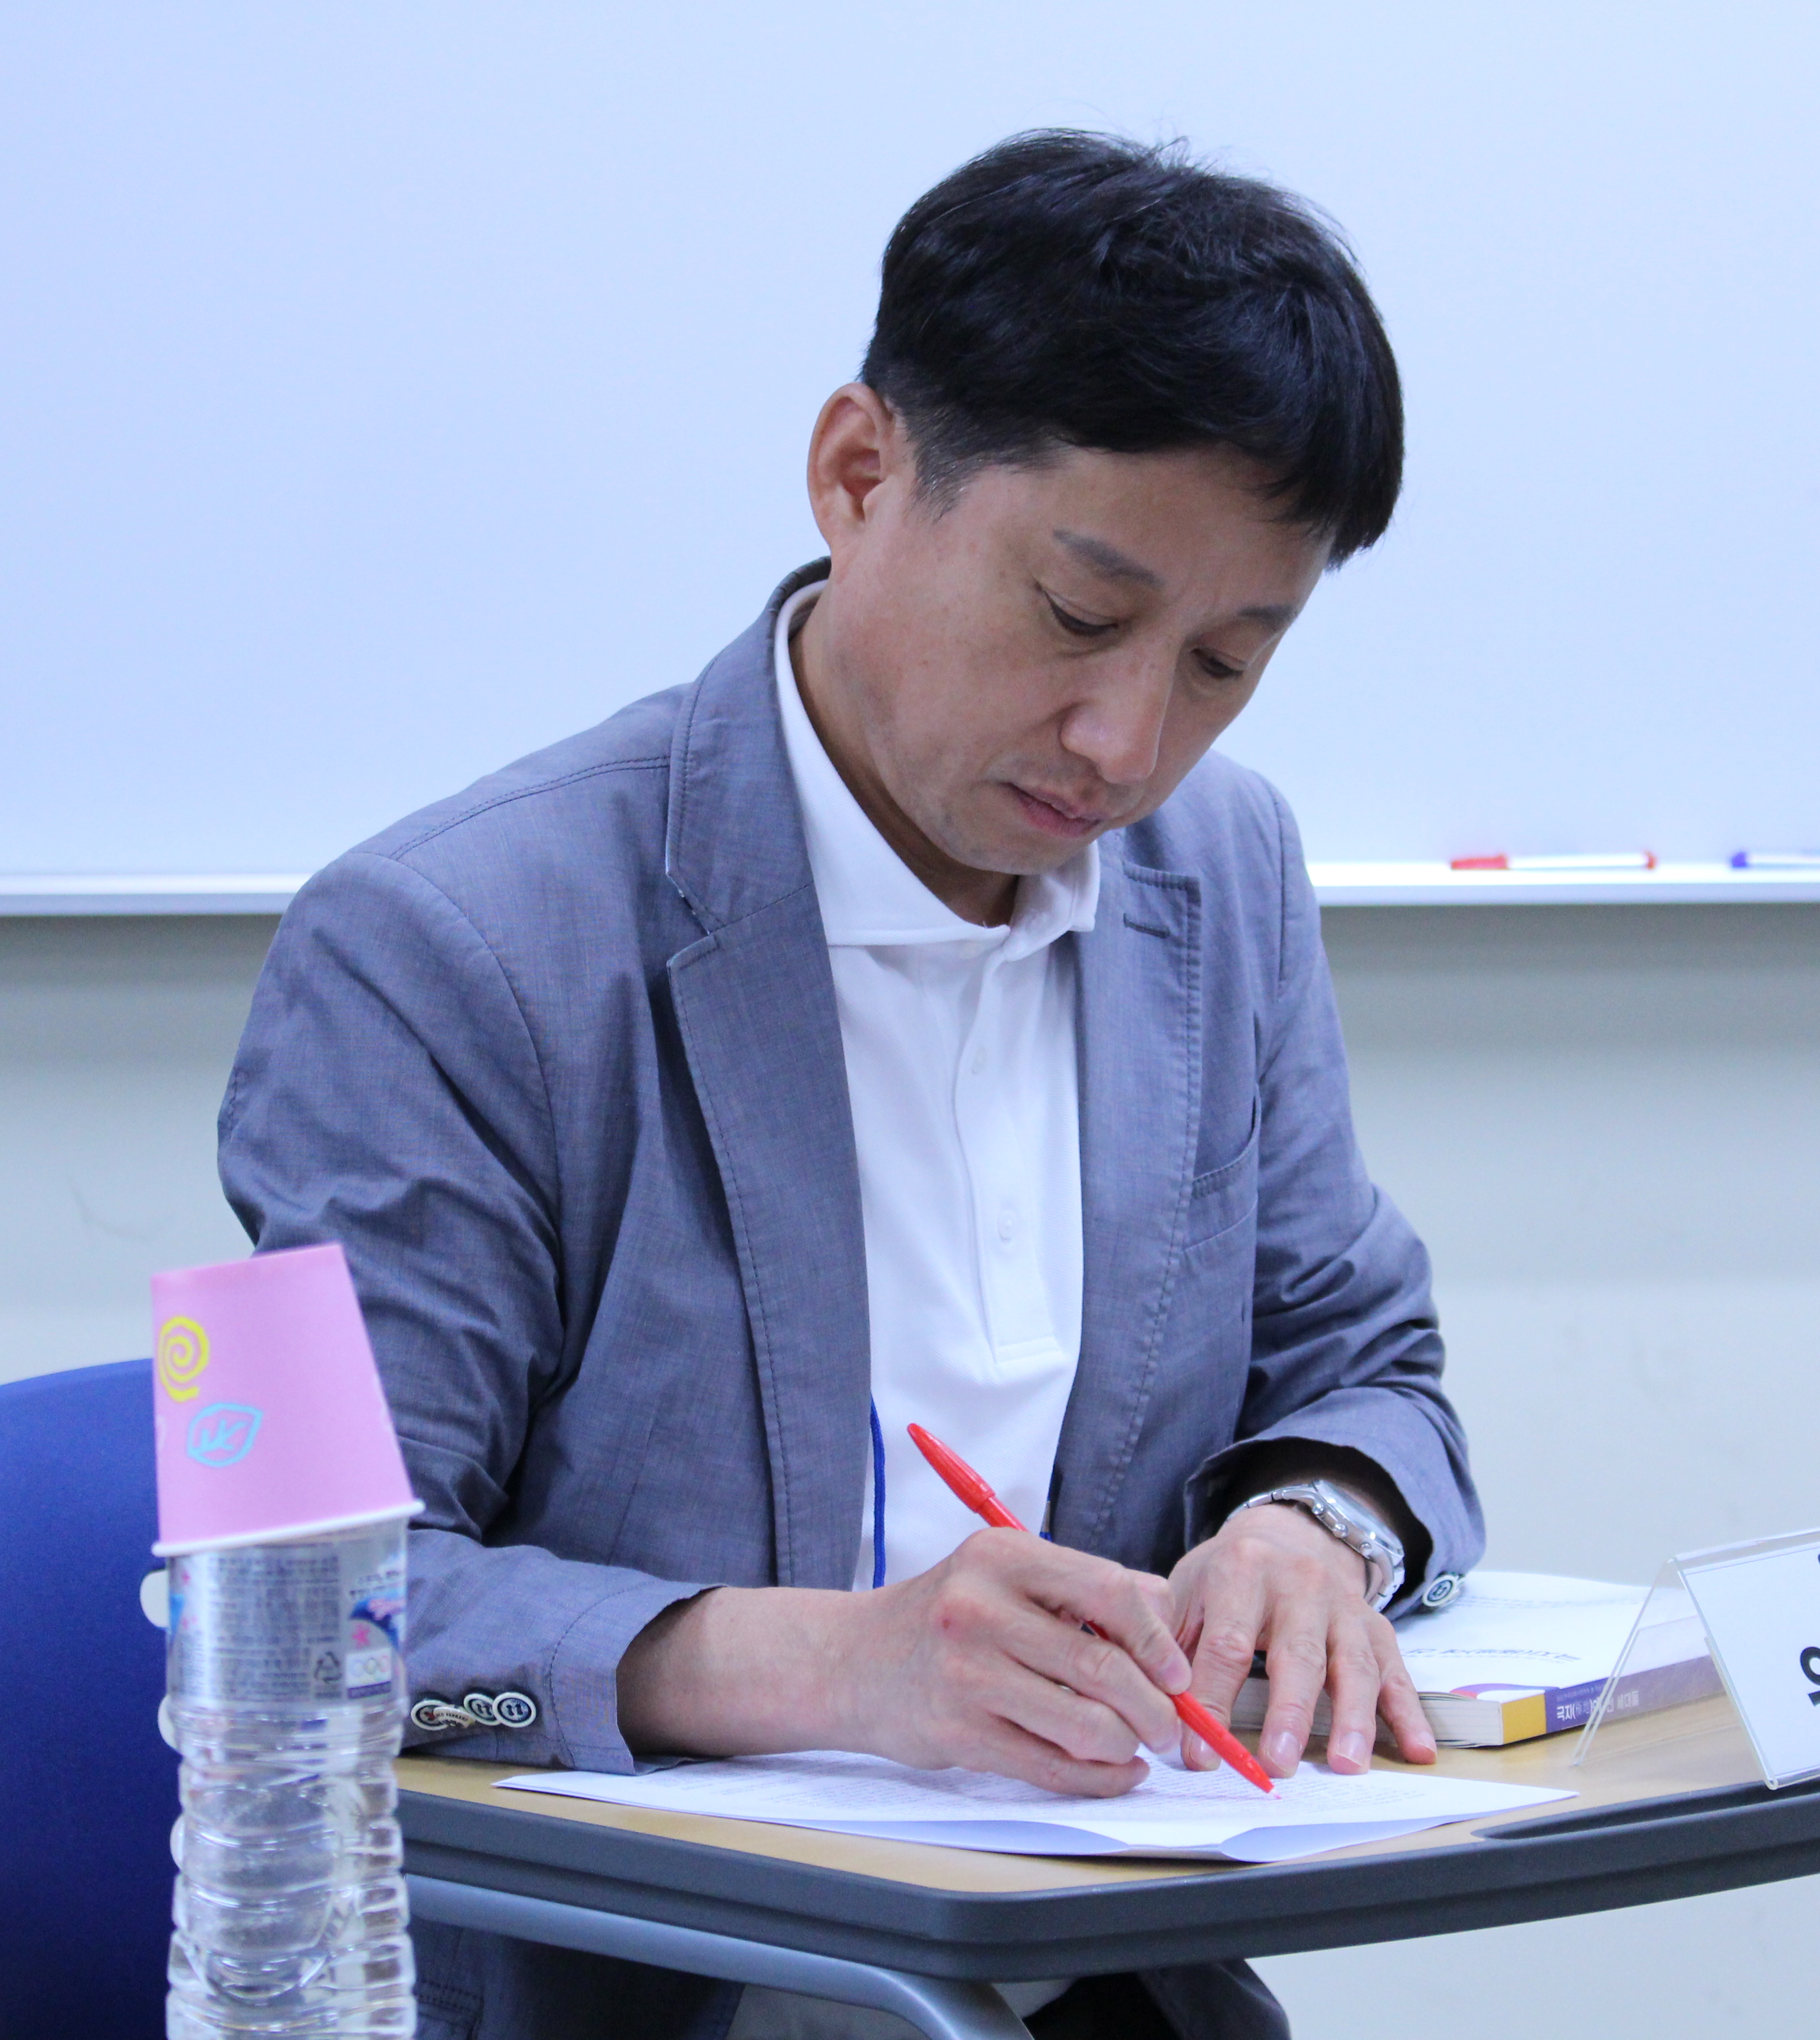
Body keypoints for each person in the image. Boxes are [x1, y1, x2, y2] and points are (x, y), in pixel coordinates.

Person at [219, 129, 1481, 2040]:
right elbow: (303, 1627)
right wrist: (827, 1669)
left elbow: (1368, 1365)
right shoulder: (439, 951)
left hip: (1085, 1978)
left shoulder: (1215, 876)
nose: (1127, 740)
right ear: (860, 475)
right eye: (1080, 618)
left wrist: (1317, 1526)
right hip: (640, 1998)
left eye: (1228, 661)